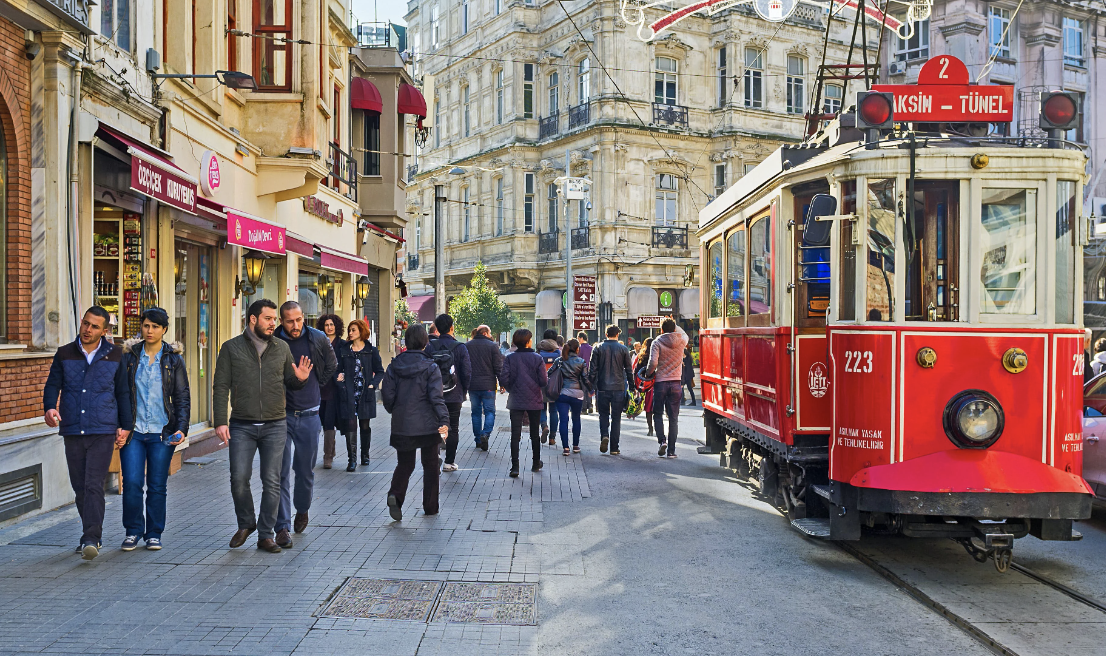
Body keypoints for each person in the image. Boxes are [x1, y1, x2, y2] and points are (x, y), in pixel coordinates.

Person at [213, 299, 313, 554]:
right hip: (242, 426)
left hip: (275, 424)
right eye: (268, 319)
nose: (273, 324)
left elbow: (291, 381)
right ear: (253, 319)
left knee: (272, 481)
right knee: (239, 479)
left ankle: (266, 534)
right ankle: (247, 523)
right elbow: (221, 386)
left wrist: (300, 380)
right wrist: (220, 421)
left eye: (273, 319)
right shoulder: (231, 348)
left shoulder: (281, 348)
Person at [43, 306, 133, 560]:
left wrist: (125, 426)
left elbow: (123, 392)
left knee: (94, 484)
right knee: (80, 486)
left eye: (94, 326)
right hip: (72, 428)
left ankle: (91, 538)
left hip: (103, 429)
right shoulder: (64, 354)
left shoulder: (116, 355)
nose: (87, 329)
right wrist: (50, 408)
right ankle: (90, 534)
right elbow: (53, 384)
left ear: (104, 331)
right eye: (85, 323)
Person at [118, 308, 190, 552]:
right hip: (134, 432)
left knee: (157, 485)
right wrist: (120, 426)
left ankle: (154, 533)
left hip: (162, 431)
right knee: (132, 482)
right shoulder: (129, 357)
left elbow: (182, 397)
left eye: (155, 327)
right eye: (146, 326)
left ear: (164, 330)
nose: (149, 331)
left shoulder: (173, 359)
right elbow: (121, 394)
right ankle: (133, 531)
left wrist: (181, 428)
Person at [273, 302, 337, 548]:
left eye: (299, 319)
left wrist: (314, 383)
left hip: (310, 413)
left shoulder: (318, 338)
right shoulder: (274, 339)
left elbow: (331, 365)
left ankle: (302, 509)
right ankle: (282, 526)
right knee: (279, 472)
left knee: (305, 471)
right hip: (280, 415)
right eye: (290, 321)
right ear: (282, 321)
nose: (296, 325)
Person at [381, 324, 450, 520]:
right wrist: (444, 420)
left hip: (403, 423)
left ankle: (395, 494)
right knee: (430, 465)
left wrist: (395, 410)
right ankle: (430, 506)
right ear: (425, 342)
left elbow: (387, 395)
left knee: (405, 464)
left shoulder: (394, 366)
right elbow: (436, 398)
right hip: (428, 424)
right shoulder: (431, 367)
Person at [335, 319, 385, 471]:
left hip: (365, 393)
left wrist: (372, 385)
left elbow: (380, 371)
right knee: (350, 425)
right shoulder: (344, 350)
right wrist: (339, 380)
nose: (350, 333)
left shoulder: (371, 350)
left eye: (353, 330)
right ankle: (352, 460)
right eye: (349, 330)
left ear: (361, 332)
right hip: (349, 393)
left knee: (364, 425)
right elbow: (337, 370)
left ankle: (365, 455)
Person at [500, 329, 546, 477]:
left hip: (516, 400)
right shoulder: (537, 358)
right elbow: (543, 381)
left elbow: (503, 379)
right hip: (534, 399)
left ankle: (515, 467)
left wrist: (513, 388)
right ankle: (535, 462)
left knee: (515, 434)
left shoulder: (510, 358)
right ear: (527, 342)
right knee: (534, 433)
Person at [429, 314, 471, 472]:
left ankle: (434, 458)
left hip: (434, 394)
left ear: (437, 329)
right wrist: (464, 390)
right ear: (452, 327)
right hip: (454, 394)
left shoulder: (430, 347)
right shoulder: (460, 347)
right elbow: (467, 373)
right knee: (453, 427)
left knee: (435, 426)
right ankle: (449, 462)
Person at [647, 318, 689, 458]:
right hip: (676, 383)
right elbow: (686, 335)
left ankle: (662, 441)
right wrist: (675, 325)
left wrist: (648, 373)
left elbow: (653, 362)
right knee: (673, 418)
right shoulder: (682, 341)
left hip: (661, 382)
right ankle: (671, 451)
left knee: (657, 413)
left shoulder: (657, 342)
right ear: (675, 328)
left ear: (661, 329)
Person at [589, 324, 634, 455]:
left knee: (603, 415)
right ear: (617, 335)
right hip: (618, 388)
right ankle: (614, 447)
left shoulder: (597, 348)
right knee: (616, 417)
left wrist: (590, 385)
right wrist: (632, 386)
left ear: (606, 334)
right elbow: (629, 370)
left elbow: (593, 370)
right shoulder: (623, 349)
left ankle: (604, 435)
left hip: (602, 387)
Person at [466, 324, 504, 451]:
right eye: (490, 333)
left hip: (473, 385)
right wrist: (502, 382)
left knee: (475, 413)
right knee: (489, 411)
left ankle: (478, 440)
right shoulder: (492, 346)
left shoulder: (468, 346)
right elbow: (498, 367)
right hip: (488, 385)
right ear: (485, 333)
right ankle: (485, 434)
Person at [316, 313, 346, 469]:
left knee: (329, 422)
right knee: (316, 422)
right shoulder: (318, 343)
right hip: (318, 387)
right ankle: (319, 453)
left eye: (331, 325)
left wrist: (343, 374)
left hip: (334, 389)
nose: (329, 328)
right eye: (326, 325)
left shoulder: (343, 345)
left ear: (337, 327)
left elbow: (348, 364)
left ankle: (328, 456)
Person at [554, 339, 589, 456]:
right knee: (576, 419)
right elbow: (585, 379)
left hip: (562, 393)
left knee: (563, 420)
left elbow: (548, 373)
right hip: (577, 394)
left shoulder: (560, 360)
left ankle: (565, 448)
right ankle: (575, 446)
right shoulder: (581, 362)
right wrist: (591, 389)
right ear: (577, 349)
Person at [537, 330, 561, 445]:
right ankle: (552, 438)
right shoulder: (558, 352)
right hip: (555, 384)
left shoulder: (538, 350)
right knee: (553, 410)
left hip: (541, 383)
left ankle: (544, 426)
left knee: (541, 408)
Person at [634, 338, 655, 436]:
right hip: (658, 383)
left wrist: (636, 386)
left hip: (647, 386)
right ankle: (659, 428)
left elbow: (636, 371)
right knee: (658, 409)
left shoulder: (641, 356)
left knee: (648, 408)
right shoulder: (658, 355)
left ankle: (650, 429)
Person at [577, 332, 594, 414]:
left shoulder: (579, 348)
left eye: (578, 338)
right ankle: (590, 405)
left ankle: (584, 409)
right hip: (590, 370)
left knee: (582, 390)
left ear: (581, 338)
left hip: (581, 371)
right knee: (589, 388)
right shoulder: (591, 348)